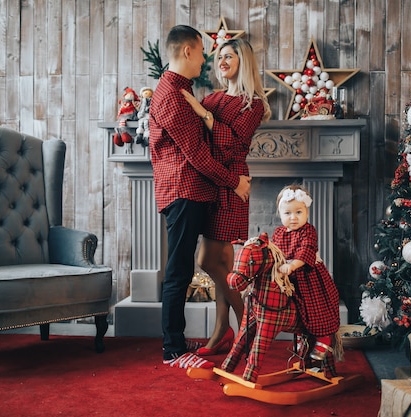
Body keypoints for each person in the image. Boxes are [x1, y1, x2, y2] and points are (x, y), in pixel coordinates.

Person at [149, 25, 251, 369]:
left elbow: (215, 140)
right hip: (184, 190)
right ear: (189, 51)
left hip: (195, 191)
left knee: (199, 263)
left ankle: (209, 333)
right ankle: (172, 348)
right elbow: (197, 154)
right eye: (205, 52)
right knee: (179, 270)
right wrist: (233, 182)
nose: (208, 60)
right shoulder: (173, 95)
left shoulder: (184, 91)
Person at [181, 38, 271, 356]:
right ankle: (222, 332)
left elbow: (229, 145)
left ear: (242, 61)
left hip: (232, 186)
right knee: (220, 262)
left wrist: (199, 110)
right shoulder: (213, 97)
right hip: (210, 182)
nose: (221, 61)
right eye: (219, 56)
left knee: (207, 260)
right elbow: (196, 137)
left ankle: (248, 322)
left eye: (228, 56)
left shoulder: (253, 103)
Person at [271, 184, 341, 361]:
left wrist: (292, 265)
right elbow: (272, 250)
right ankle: (305, 336)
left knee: (315, 307)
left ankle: (324, 337)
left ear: (307, 213)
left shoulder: (308, 231)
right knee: (294, 310)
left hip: (308, 276)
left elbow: (306, 250)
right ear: (280, 214)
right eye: (287, 213)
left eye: (299, 212)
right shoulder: (278, 232)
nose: (293, 218)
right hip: (287, 279)